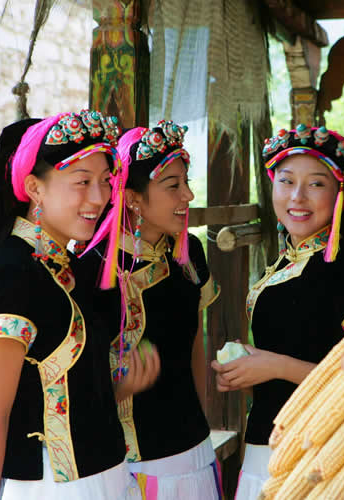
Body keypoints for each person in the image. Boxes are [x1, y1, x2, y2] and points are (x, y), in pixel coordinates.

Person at [0, 110, 154, 500]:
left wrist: (116, 390)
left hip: (107, 478)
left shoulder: (66, 266)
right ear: (35, 188)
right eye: (81, 182)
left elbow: (58, 391)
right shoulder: (12, 273)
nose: (100, 197)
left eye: (105, 181)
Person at [213, 125, 344, 500]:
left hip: (322, 456)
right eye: (286, 181)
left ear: (342, 192)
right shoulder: (281, 264)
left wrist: (274, 366)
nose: (298, 196)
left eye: (317, 184)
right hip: (266, 448)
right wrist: (249, 367)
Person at [87, 122, 222, 498]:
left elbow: (196, 345)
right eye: (173, 186)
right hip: (131, 464)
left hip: (195, 447)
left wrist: (202, 421)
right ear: (132, 198)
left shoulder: (189, 253)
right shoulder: (94, 267)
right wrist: (118, 388)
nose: (189, 194)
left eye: (186, 181)